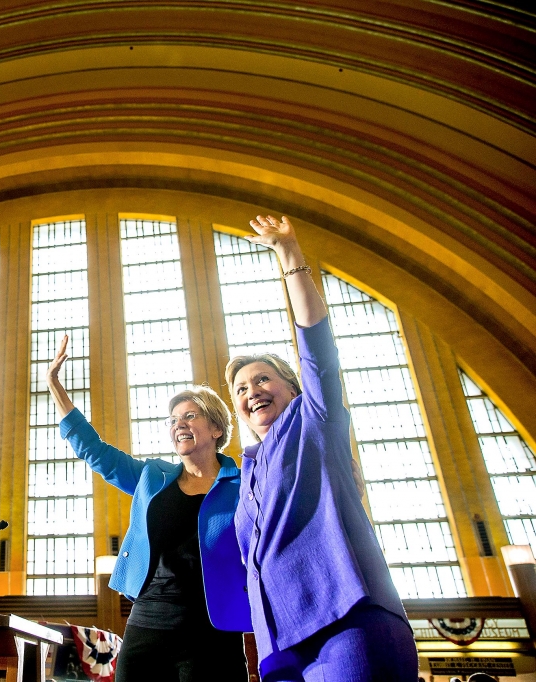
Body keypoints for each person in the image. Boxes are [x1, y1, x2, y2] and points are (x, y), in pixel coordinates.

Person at [225, 215, 418, 682]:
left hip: (347, 619)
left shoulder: (313, 422)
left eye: (262, 379)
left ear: (293, 389)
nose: (251, 390)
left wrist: (289, 254)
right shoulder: (248, 467)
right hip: (279, 644)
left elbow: (318, 348)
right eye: (241, 388)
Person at [47, 341, 252, 682]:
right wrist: (55, 386)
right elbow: (95, 451)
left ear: (216, 429)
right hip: (148, 622)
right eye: (172, 420)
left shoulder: (245, 485)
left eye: (190, 415)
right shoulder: (151, 478)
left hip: (213, 627)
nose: (178, 424)